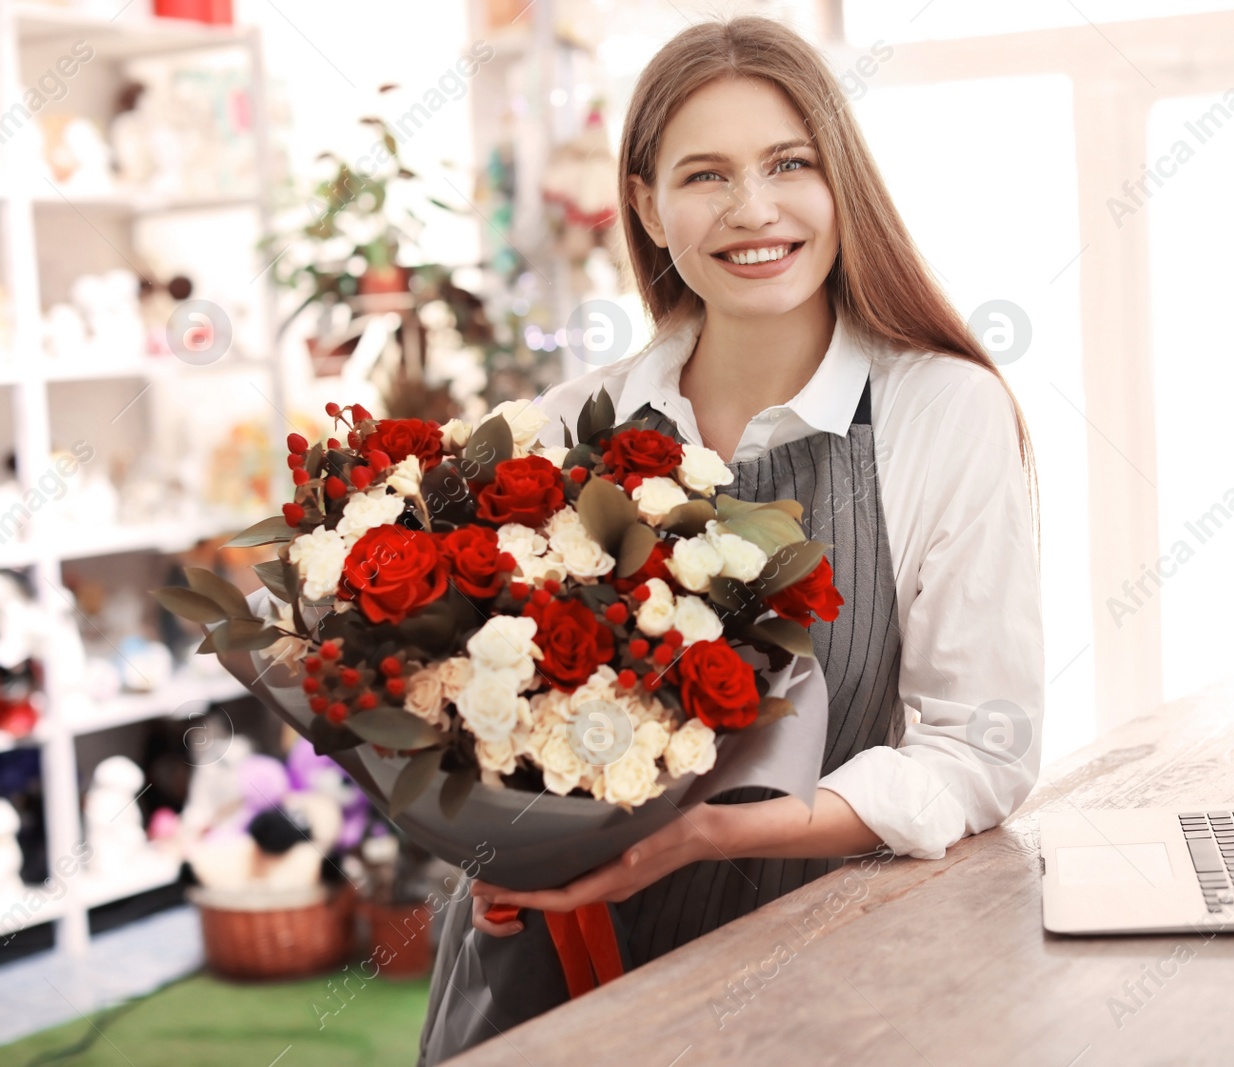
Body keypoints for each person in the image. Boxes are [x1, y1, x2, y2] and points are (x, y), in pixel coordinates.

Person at [416, 15, 1045, 1063]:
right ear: (646, 208)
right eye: (704, 175)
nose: (753, 209)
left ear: (840, 179)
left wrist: (711, 827)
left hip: (812, 965)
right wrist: (492, 829)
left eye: (788, 163)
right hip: (561, 957)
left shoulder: (942, 409)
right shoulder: (576, 424)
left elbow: (981, 746)